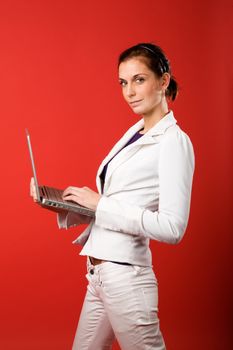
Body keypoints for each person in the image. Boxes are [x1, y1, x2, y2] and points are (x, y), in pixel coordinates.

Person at [30, 42, 195, 350]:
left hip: (128, 280)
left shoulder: (174, 142)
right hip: (99, 274)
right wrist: (68, 207)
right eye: (123, 82)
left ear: (164, 81)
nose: (129, 91)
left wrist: (101, 203)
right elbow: (122, 202)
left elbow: (173, 228)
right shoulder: (135, 133)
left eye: (139, 79)